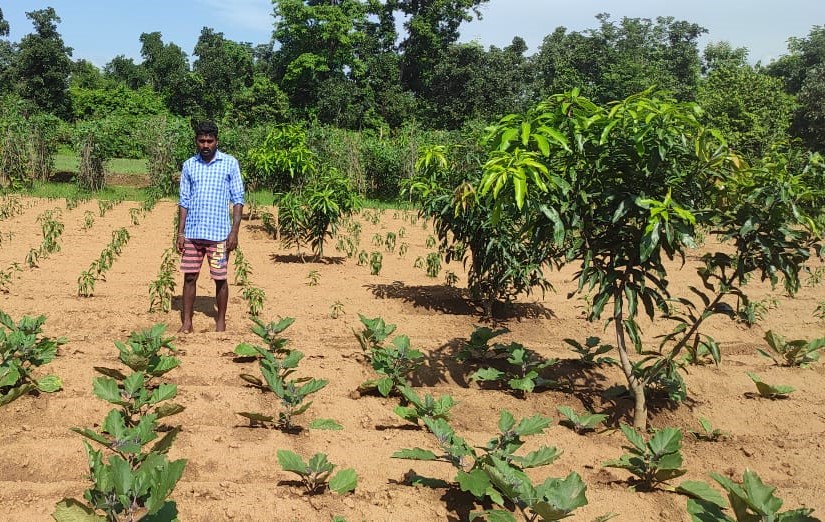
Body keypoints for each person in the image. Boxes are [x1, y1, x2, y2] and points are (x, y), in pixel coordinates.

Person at [176, 121, 244, 333]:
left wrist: (234, 232)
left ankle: (220, 322)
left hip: (219, 235)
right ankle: (187, 322)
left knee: (220, 278)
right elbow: (184, 201)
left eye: (209, 141)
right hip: (193, 235)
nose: (205, 145)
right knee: (189, 277)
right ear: (196, 142)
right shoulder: (189, 165)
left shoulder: (230, 163)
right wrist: (180, 232)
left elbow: (238, 199)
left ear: (216, 141)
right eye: (201, 141)